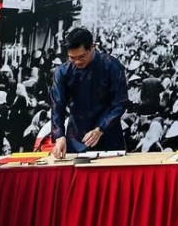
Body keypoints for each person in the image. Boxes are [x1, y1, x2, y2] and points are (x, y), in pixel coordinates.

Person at [49, 28, 128, 158]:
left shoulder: (111, 66)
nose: (77, 62)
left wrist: (100, 129)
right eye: (72, 58)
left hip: (108, 134)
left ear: (92, 47)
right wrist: (59, 136)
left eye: (82, 57)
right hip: (76, 137)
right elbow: (57, 106)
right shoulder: (62, 72)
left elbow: (120, 103)